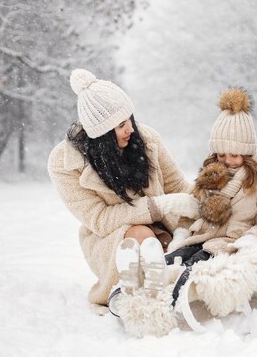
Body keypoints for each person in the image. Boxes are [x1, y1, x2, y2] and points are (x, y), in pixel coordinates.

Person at [47, 69, 199, 315]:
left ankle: (166, 287)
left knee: (179, 243)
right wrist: (157, 207)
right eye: (120, 125)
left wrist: (212, 199)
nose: (130, 128)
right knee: (140, 234)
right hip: (110, 238)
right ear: (101, 135)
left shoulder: (146, 138)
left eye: (129, 119)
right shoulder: (64, 163)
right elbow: (100, 219)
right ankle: (133, 294)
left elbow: (178, 187)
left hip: (163, 230)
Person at [163, 87, 257, 305]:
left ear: (248, 153)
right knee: (172, 260)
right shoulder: (210, 177)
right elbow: (192, 210)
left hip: (231, 242)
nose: (227, 160)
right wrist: (180, 235)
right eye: (221, 154)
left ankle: (175, 299)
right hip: (202, 237)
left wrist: (249, 238)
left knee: (196, 264)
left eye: (235, 155)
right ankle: (149, 288)